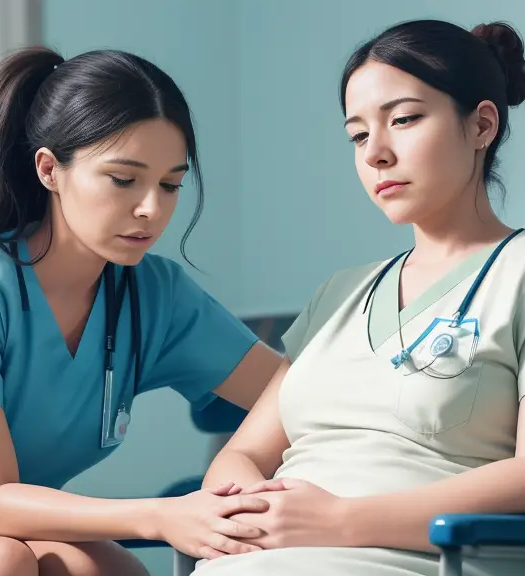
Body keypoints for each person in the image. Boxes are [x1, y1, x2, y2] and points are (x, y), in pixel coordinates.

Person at [0, 46, 283, 576]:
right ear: (49, 169)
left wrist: (241, 469)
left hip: (13, 532)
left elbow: (292, 393)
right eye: (123, 179)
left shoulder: (156, 293)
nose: (151, 209)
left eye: (170, 184)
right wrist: (163, 517)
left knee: (114, 573)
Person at [191, 19, 525, 576]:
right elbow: (243, 453)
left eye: (404, 119)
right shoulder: (340, 294)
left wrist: (340, 521)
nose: (376, 154)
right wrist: (254, 508)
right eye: (358, 135)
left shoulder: (515, 276)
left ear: (482, 124)